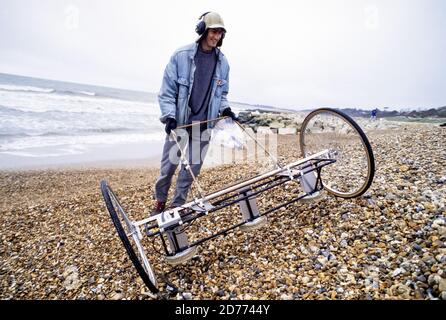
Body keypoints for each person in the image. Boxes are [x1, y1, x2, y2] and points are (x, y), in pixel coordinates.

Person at [152, 11, 237, 215]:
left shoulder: (223, 63)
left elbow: (222, 93)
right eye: (214, 32)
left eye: (220, 33)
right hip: (180, 124)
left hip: (204, 125)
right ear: (202, 30)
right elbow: (167, 91)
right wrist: (169, 116)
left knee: (191, 170)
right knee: (168, 169)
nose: (217, 37)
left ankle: (177, 205)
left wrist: (225, 109)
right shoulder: (181, 56)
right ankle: (160, 201)